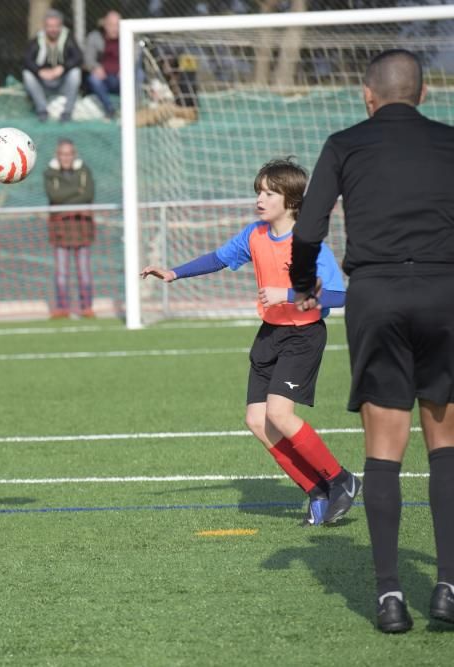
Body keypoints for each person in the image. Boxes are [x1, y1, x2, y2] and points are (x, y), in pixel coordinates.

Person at [290, 49, 454, 633]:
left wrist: (303, 284)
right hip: (444, 290)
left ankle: (388, 598)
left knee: (385, 449)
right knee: (446, 443)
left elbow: (308, 228)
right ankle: (449, 587)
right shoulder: (449, 140)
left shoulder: (344, 143)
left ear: (367, 95)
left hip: (376, 294)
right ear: (424, 94)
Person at [142, 158, 357, 528]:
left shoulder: (308, 242)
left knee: (279, 414)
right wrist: (175, 272)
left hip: (303, 336)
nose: (260, 198)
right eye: (259, 190)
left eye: (269, 192)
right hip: (270, 335)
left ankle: (341, 479)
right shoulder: (254, 235)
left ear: (290, 201)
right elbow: (219, 259)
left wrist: (288, 293)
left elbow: (339, 296)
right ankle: (316, 491)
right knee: (257, 420)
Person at [44, 139, 96, 319]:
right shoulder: (50, 174)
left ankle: (86, 306)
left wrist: (68, 199)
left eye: (69, 154)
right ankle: (62, 308)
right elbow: (54, 196)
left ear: (74, 155)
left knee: (84, 271)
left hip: (82, 228)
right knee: (62, 272)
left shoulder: (84, 171)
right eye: (62, 154)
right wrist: (77, 193)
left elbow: (88, 195)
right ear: (57, 156)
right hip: (60, 229)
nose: (65, 157)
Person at [23, 9, 83, 123]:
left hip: (62, 82)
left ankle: (67, 112)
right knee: (27, 74)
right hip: (43, 83)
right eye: (50, 26)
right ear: (45, 27)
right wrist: (39, 71)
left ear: (61, 26)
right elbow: (26, 60)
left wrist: (62, 68)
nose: (53, 29)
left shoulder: (68, 38)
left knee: (75, 73)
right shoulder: (38, 39)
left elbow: (78, 57)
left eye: (56, 26)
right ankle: (42, 111)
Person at [84, 10, 121, 118]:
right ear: (104, 24)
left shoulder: (128, 35)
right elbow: (88, 58)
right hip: (104, 78)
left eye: (117, 25)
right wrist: (96, 67)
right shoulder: (94, 37)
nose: (114, 28)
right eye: (111, 25)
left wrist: (126, 68)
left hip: (122, 78)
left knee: (139, 73)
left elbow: (136, 55)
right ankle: (110, 109)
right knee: (93, 78)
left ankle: (134, 108)